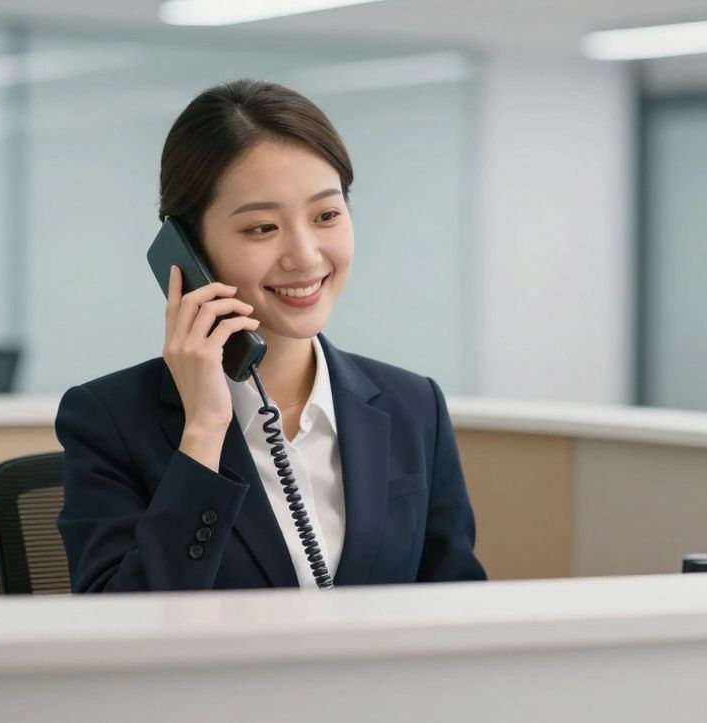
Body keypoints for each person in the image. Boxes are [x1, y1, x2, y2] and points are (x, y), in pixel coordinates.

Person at [55, 79, 486, 591]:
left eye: (326, 215)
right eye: (262, 228)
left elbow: (457, 604)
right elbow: (120, 631)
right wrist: (205, 431)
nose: (305, 256)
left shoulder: (414, 407)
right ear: (187, 249)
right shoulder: (111, 421)